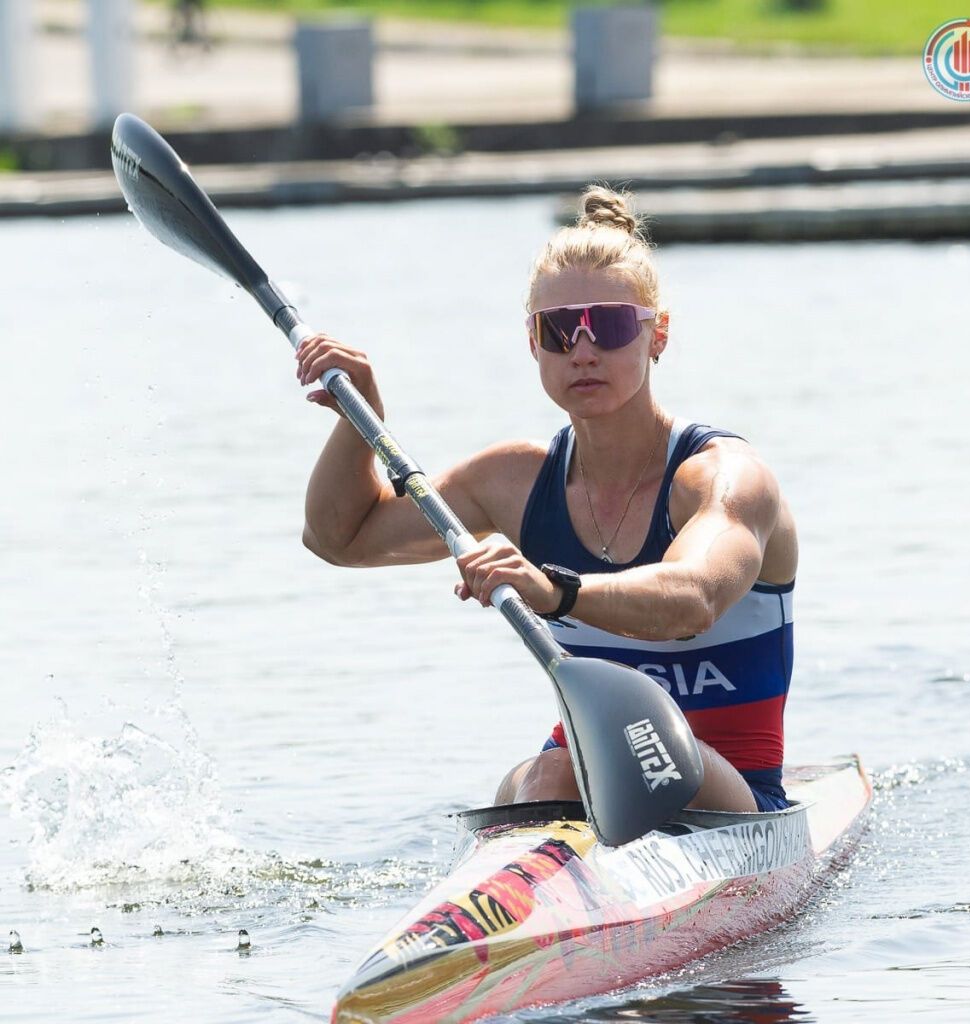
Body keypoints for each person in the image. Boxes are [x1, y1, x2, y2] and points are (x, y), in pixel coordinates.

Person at [298, 186, 797, 814]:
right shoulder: (513, 480)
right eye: (558, 330)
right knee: (546, 775)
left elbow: (692, 601)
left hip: (730, 795)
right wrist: (357, 416)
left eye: (610, 325)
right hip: (575, 773)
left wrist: (555, 590)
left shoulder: (725, 478)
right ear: (533, 343)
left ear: (658, 335)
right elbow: (340, 540)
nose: (583, 350)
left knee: (572, 774)